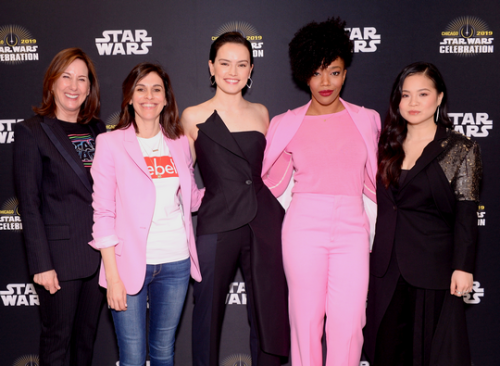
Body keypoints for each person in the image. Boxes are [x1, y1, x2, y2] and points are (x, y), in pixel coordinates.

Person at [261, 17, 380, 366]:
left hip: (353, 229)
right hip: (303, 229)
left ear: (346, 71)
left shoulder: (368, 119)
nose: (325, 82)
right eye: (316, 72)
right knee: (305, 322)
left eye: (335, 71)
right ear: (303, 74)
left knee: (349, 324)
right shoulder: (284, 124)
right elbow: (271, 182)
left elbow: (375, 185)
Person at [181, 31, 290, 366]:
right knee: (207, 315)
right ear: (211, 67)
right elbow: (182, 178)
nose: (233, 71)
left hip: (264, 223)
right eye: (225, 63)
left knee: (268, 312)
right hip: (217, 223)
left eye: (241, 64)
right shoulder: (192, 116)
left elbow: (275, 171)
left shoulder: (261, 112)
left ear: (251, 69)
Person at [363, 62, 482, 366]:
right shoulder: (385, 145)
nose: (413, 103)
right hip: (385, 268)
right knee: (385, 350)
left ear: (439, 98)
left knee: (432, 354)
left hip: (433, 268)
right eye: (406, 95)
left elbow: (466, 213)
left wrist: (463, 267)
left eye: (423, 94)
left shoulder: (460, 148)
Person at [89, 62, 203, 366]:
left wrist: (232, 191)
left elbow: (190, 201)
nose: (148, 96)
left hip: (176, 261)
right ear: (129, 97)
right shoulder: (110, 143)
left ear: (166, 98)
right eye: (140, 89)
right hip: (127, 266)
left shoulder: (181, 143)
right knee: (133, 356)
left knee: (164, 351)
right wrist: (112, 278)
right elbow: (103, 213)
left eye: (156, 89)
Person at [13, 48, 105, 366]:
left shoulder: (99, 130)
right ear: (52, 82)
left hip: (99, 257)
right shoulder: (32, 132)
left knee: (86, 343)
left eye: (82, 79)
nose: (74, 86)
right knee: (57, 344)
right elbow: (29, 203)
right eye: (66, 77)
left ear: (89, 87)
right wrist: (41, 264)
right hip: (59, 260)